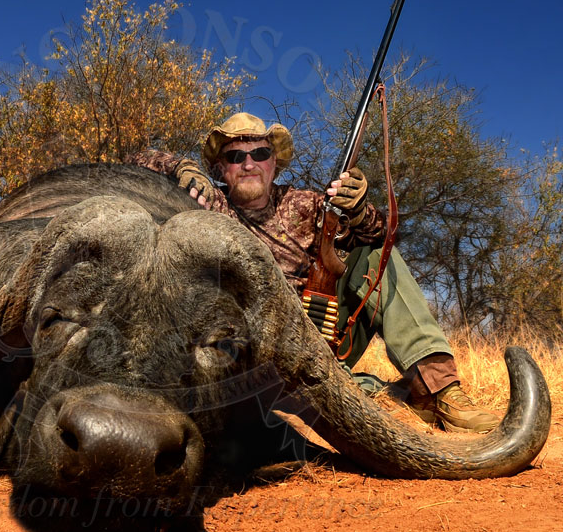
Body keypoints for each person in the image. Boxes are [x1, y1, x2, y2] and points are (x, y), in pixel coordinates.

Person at [130, 112, 499, 434]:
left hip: (327, 339)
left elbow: (380, 236)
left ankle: (441, 389)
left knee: (375, 256)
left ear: (274, 162)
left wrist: (357, 210)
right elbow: (134, 162)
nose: (248, 163)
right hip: (257, 358)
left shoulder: (307, 203)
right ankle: (392, 397)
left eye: (259, 153)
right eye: (234, 156)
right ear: (220, 168)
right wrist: (180, 167)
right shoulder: (211, 205)